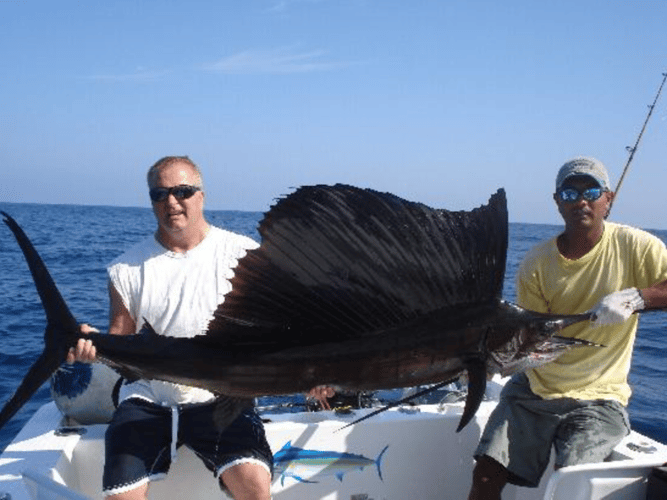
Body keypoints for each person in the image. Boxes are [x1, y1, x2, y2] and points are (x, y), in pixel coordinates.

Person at [68, 156, 273, 500]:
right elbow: (120, 336)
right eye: (160, 194)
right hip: (148, 398)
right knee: (121, 497)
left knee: (255, 486)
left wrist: (310, 373)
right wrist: (92, 348)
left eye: (182, 191)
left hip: (220, 395)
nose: (172, 202)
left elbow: (271, 328)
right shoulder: (125, 268)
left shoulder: (245, 253)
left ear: (202, 196)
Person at [468, 156, 667, 500]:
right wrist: (498, 362)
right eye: (570, 193)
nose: (582, 201)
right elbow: (529, 335)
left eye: (591, 190)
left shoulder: (638, 246)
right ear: (557, 201)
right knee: (486, 475)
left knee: (573, 481)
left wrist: (639, 298)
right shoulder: (535, 262)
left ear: (609, 198)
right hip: (534, 389)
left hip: (599, 398)